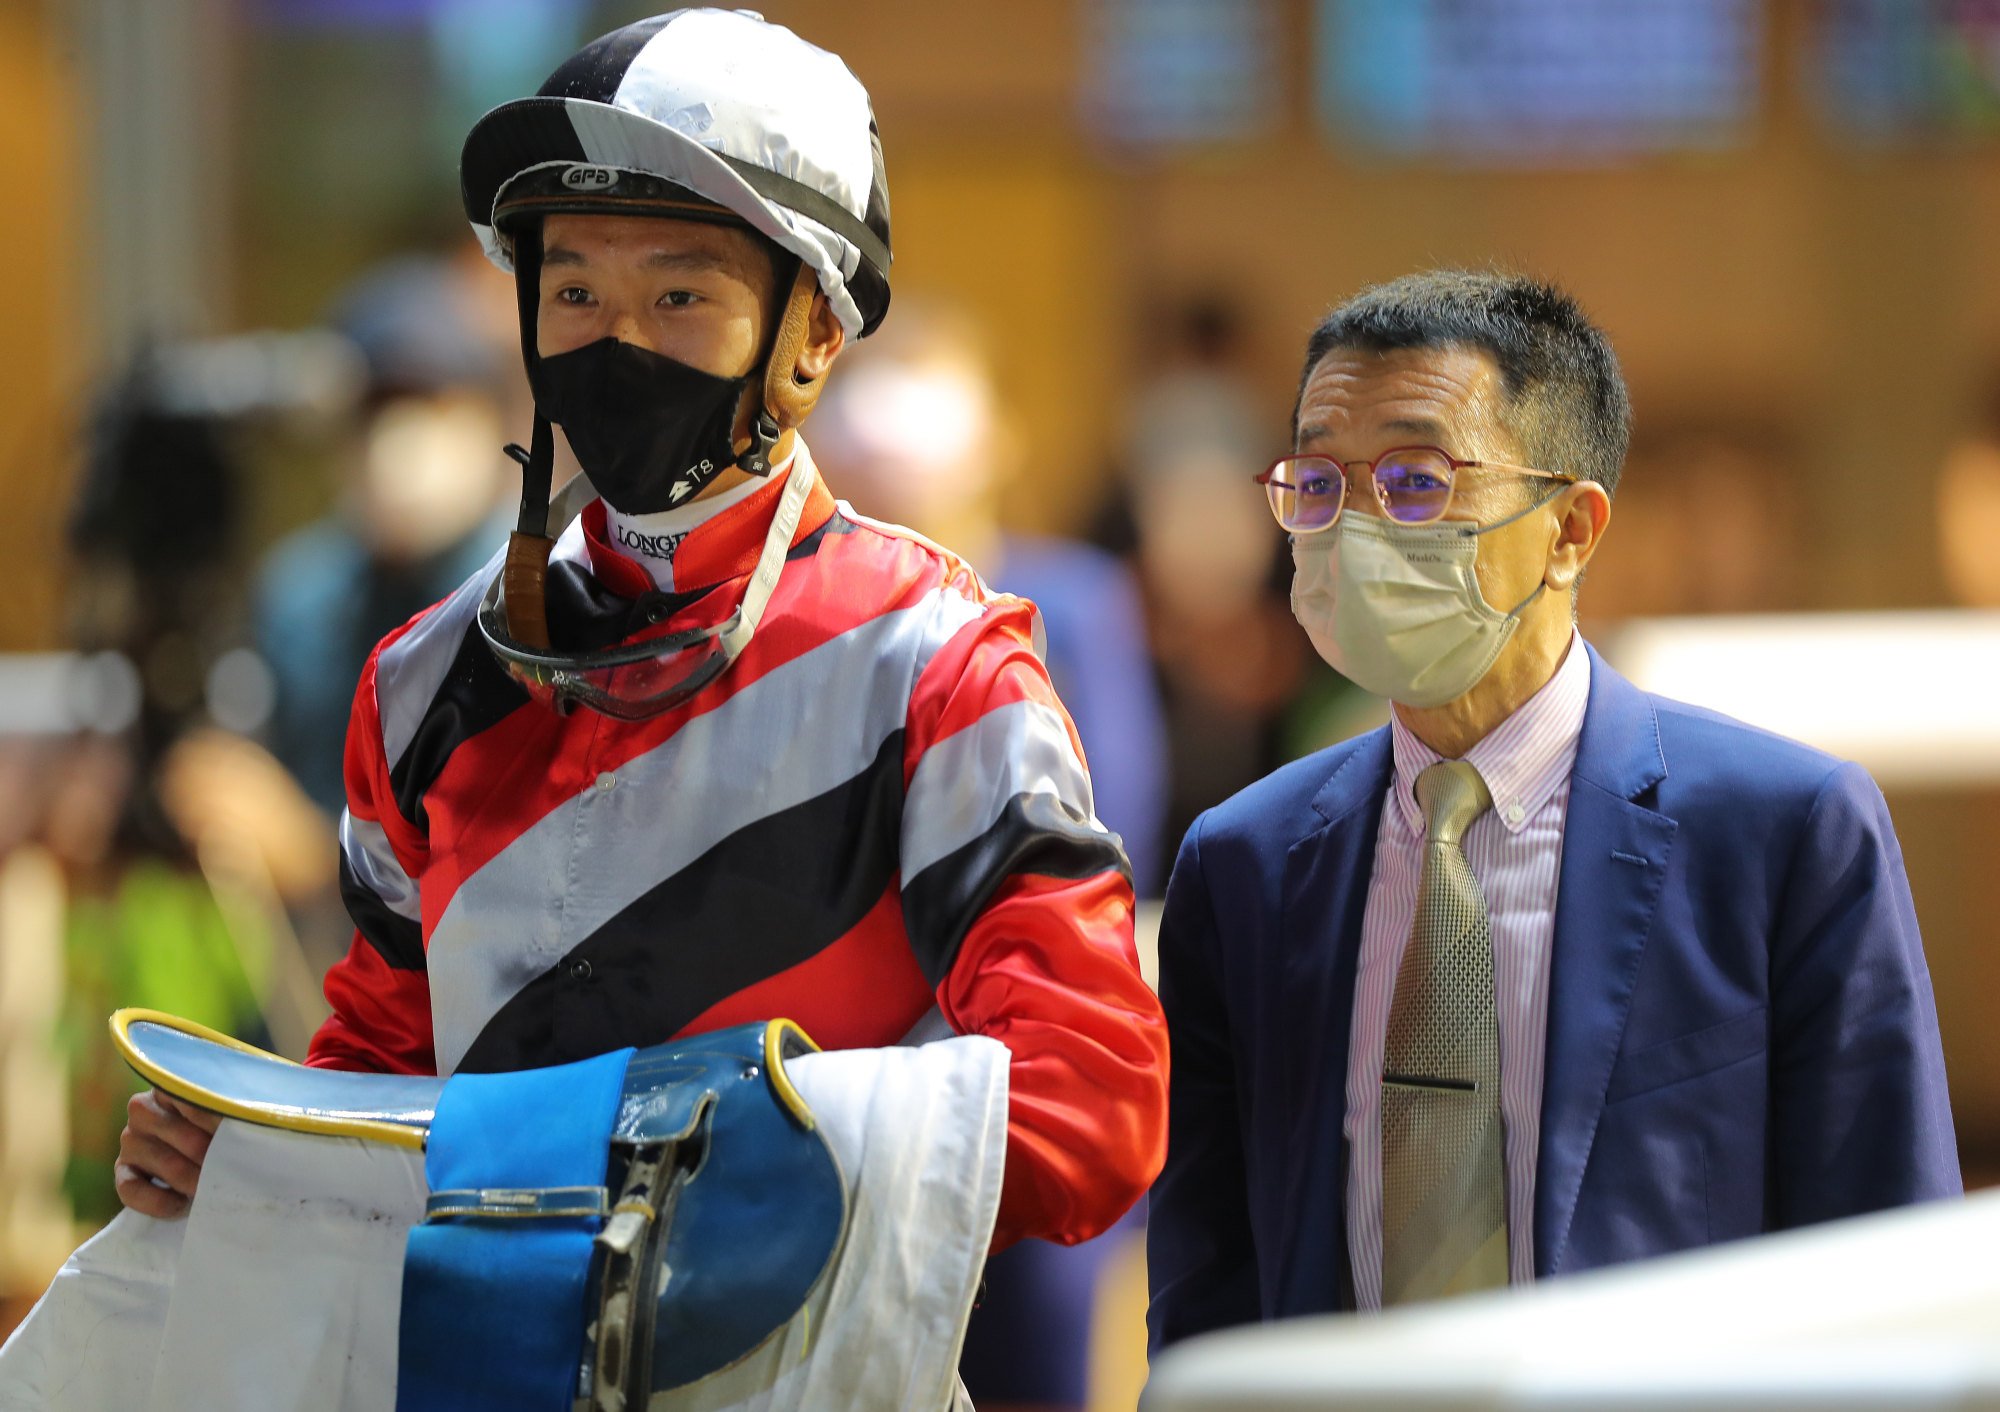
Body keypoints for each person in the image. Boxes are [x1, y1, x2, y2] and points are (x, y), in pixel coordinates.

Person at [116, 9, 1168, 1273]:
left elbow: (1088, 1112)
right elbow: (381, 1075)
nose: (615, 342)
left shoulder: (939, 663)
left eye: (678, 293)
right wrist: (256, 1158)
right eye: (572, 292)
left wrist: (605, 1160)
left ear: (816, 335)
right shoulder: (422, 680)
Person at [1146, 270, 1960, 1348]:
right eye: (1317, 484)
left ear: (1569, 528)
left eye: (1415, 480)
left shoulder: (1781, 833)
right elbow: (1211, 1281)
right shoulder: (1244, 862)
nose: (1352, 531)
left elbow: (1887, 1258)